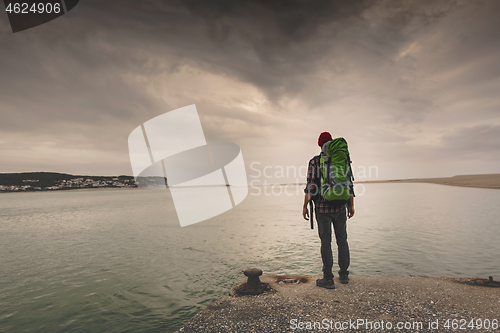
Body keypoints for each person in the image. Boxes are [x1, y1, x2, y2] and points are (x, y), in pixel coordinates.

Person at [302, 132, 355, 289]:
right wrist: (351, 206)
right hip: (340, 207)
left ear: (320, 144)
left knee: (326, 242)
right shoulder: (341, 159)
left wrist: (305, 206)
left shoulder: (315, 161)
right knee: (342, 240)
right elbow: (349, 183)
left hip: (322, 208)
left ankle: (328, 279)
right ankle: (344, 275)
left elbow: (311, 186)